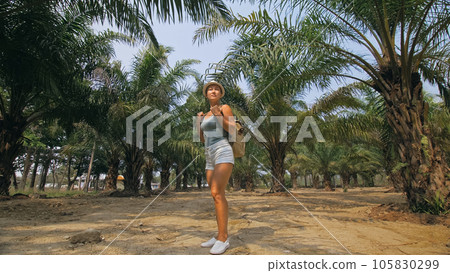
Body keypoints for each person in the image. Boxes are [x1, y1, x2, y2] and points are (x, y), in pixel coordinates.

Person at [196, 80, 235, 255]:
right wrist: (199, 123)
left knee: (217, 192)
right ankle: (218, 234)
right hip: (209, 154)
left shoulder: (224, 108)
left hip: (222, 150)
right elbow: (203, 139)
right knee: (215, 195)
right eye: (210, 89)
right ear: (206, 94)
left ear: (220, 94)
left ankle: (223, 238)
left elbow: (232, 129)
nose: (213, 91)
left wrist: (218, 115)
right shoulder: (204, 115)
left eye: (216, 89)